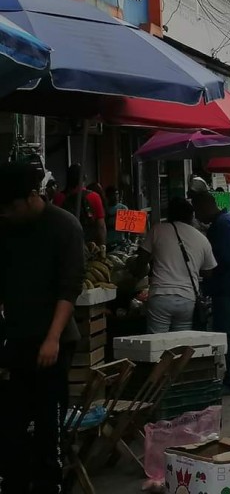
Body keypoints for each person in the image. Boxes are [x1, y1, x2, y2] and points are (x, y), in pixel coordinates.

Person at [0, 162, 84, 494]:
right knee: (12, 424)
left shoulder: (65, 226)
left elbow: (69, 287)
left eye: (10, 207)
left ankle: (50, 483)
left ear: (33, 197)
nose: (5, 213)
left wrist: (52, 338)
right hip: (16, 339)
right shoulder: (6, 227)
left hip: (54, 341)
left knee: (48, 423)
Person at [193, 192, 230, 395]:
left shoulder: (222, 225)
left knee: (229, 334)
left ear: (206, 206)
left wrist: (207, 272)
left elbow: (223, 258)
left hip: (227, 287)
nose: (198, 217)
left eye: (198, 211)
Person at [133, 198, 217, 334]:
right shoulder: (202, 239)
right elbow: (209, 272)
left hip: (161, 297)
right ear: (191, 216)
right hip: (187, 299)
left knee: (157, 344)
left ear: (169, 214)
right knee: (179, 345)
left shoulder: (158, 230)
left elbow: (141, 260)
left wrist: (138, 273)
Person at [54, 163, 107, 246]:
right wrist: (102, 248)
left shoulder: (58, 198)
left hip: (66, 246)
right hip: (89, 247)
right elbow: (100, 227)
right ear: (84, 178)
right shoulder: (94, 197)